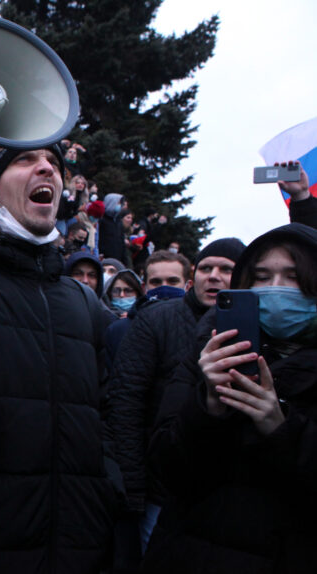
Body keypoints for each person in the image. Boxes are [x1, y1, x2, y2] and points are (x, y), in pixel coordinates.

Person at [0, 145, 117, 572]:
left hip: (80, 543)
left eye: (54, 162)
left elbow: (106, 410)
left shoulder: (82, 301)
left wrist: (108, 489)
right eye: (23, 160)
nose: (46, 168)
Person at [144, 223, 317, 573]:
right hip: (188, 553)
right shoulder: (209, 353)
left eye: (293, 277)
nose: (275, 289)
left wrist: (282, 429)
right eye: (262, 277)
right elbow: (167, 468)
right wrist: (208, 406)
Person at [106, 239, 245, 556]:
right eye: (206, 268)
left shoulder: (260, 327)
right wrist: (134, 487)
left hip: (229, 494)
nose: (213, 276)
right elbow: (126, 403)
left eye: (226, 269)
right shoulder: (155, 320)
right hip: (162, 492)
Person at [99, 192, 129, 264]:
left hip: (118, 260)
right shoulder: (102, 221)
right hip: (105, 259)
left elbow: (121, 242)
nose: (119, 205)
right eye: (117, 203)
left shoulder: (118, 221)